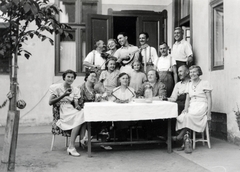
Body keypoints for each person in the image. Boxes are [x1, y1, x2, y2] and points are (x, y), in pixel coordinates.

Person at [173, 65, 212, 150]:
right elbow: (187, 99)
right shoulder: (189, 84)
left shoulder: (204, 83)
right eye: (191, 72)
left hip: (201, 105)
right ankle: (184, 141)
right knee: (181, 117)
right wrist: (185, 108)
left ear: (199, 73)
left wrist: (209, 113)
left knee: (188, 117)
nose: (192, 74)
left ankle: (179, 137)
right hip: (192, 105)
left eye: (194, 72)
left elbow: (209, 98)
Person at [49, 69, 85, 157]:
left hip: (71, 109)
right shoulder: (57, 88)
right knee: (81, 117)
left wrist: (77, 106)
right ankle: (74, 145)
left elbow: (76, 104)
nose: (70, 79)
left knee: (84, 112)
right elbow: (50, 102)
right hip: (62, 110)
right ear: (64, 77)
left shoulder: (75, 89)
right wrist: (63, 95)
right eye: (68, 77)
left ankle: (78, 142)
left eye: (72, 77)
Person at [78, 71, 112, 150]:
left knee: (106, 118)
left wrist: (101, 97)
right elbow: (80, 103)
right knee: (97, 120)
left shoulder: (95, 88)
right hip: (84, 111)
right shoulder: (81, 87)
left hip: (95, 110)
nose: (94, 78)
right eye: (92, 76)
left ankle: (103, 142)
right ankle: (86, 139)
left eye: (95, 76)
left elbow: (103, 97)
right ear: (87, 77)